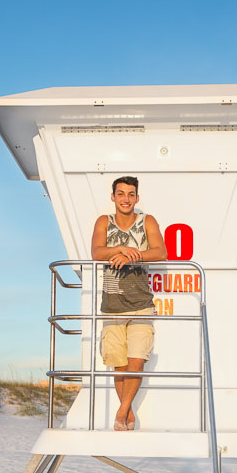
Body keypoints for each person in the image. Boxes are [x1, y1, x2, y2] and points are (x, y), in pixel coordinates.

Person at [90, 176, 166, 431]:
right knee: (119, 363)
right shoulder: (104, 222)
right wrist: (120, 248)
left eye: (130, 194)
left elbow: (160, 252)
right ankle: (128, 410)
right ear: (113, 197)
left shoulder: (147, 221)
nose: (126, 198)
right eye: (121, 194)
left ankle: (121, 412)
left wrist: (136, 255)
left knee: (137, 359)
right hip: (111, 304)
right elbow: (97, 252)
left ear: (137, 198)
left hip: (141, 302)